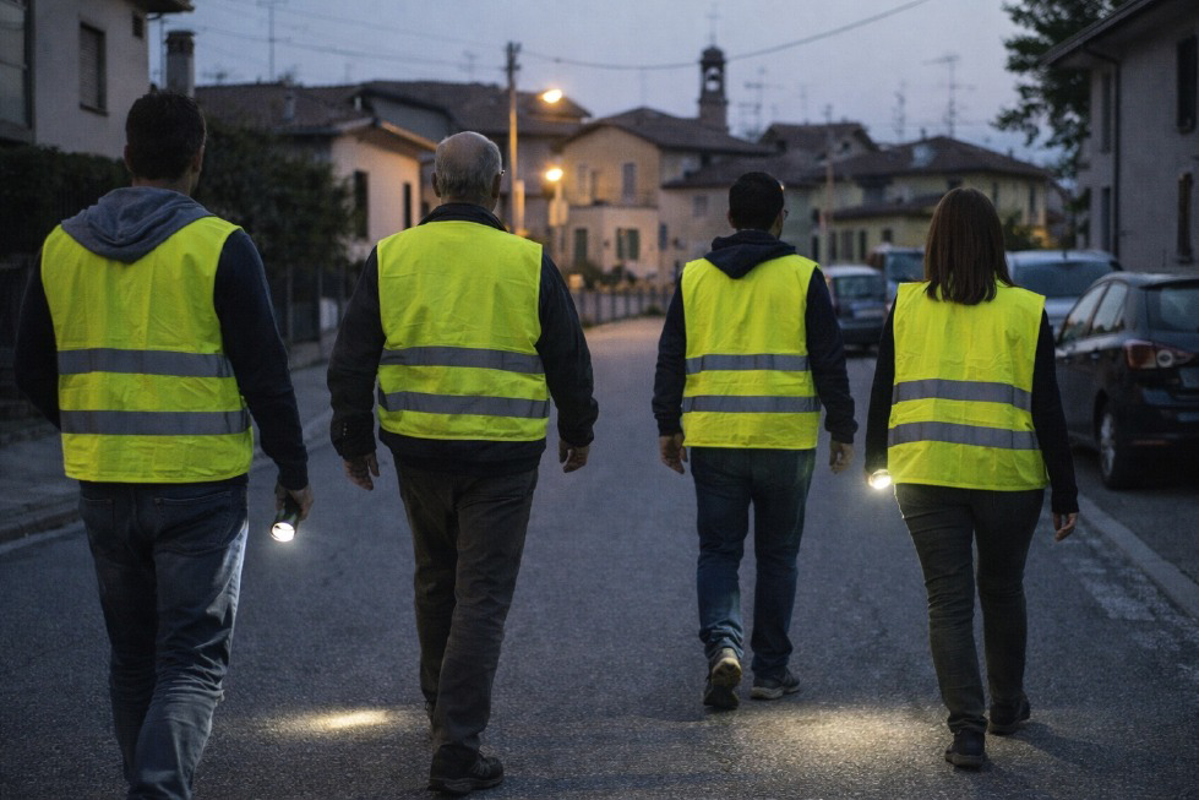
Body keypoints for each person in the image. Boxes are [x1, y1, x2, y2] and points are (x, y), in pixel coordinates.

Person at [14, 90, 313, 799]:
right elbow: (265, 372)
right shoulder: (219, 245)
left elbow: (28, 370)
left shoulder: (60, 245)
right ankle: (157, 792)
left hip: (104, 485)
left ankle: (145, 786)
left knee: (132, 660)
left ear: (126, 155)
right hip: (198, 488)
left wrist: (94, 425)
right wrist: (294, 470)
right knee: (190, 663)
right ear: (197, 160)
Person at [327, 131, 598, 796]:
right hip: (502, 458)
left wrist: (353, 439)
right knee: (481, 597)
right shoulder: (526, 261)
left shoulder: (391, 257)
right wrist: (578, 427)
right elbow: (568, 354)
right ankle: (456, 744)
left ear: (435, 188)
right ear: (498, 189)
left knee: (435, 581)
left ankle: (439, 717)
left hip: (417, 450)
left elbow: (353, 356)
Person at [864, 187, 1079, 769]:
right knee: (1003, 590)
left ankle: (966, 731)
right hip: (1008, 478)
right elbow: (1048, 408)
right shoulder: (1025, 309)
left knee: (948, 601)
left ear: (934, 242)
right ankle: (1007, 708)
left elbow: (884, 389)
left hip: (925, 474)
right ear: (995, 242)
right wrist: (1066, 491)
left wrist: (873, 462)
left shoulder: (906, 305)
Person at [652, 171, 856, 710]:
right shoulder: (803, 275)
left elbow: (671, 355)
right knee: (778, 554)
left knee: (719, 550)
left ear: (729, 217)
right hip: (785, 441)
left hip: (716, 439)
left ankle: (723, 645)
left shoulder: (694, 278)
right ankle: (771, 669)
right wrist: (843, 427)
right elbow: (829, 358)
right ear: (780, 217)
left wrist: (667, 425)